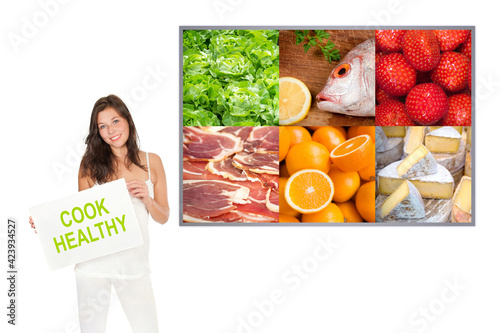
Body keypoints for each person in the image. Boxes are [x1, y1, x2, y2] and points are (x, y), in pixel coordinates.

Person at [29, 94, 169, 332]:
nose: (110, 130)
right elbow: (81, 217)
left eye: (115, 121)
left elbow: (163, 216)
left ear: (128, 120)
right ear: (97, 132)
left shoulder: (151, 161)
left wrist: (147, 198)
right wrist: (48, 225)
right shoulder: (89, 164)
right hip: (92, 267)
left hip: (135, 266)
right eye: (102, 126)